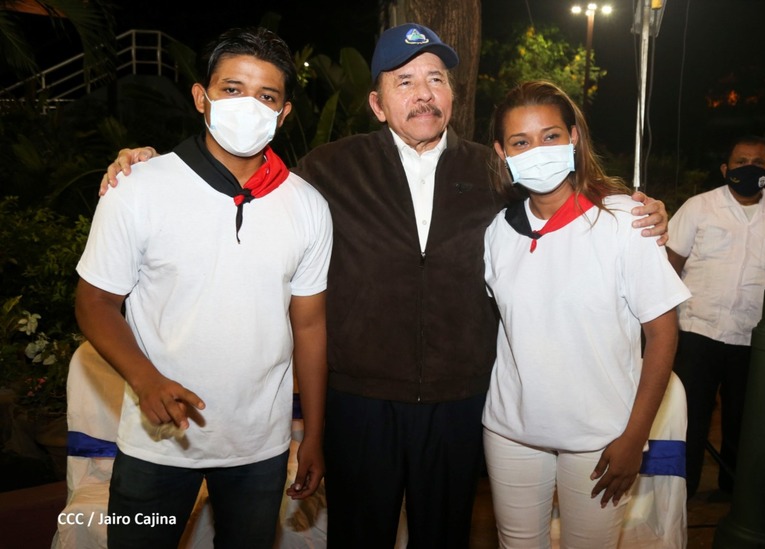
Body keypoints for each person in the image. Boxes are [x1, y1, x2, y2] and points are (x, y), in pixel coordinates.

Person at [99, 23, 669, 549]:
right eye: (405, 82)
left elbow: (562, 198)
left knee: (444, 537)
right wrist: (142, 160)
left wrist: (638, 207)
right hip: (359, 403)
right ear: (377, 103)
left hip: (459, 401)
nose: (423, 94)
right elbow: (242, 181)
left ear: (452, 95)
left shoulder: (496, 171)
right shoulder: (328, 168)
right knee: (358, 537)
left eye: (436, 80)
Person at [75, 27, 332, 548]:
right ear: (201, 97)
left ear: (283, 113)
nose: (248, 105)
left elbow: (309, 327)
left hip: (259, 447)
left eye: (266, 96)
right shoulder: (138, 188)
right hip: (157, 442)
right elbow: (95, 302)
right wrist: (146, 380)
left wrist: (314, 436)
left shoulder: (308, 206)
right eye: (232, 89)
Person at [481, 80, 690, 548]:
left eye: (550, 136)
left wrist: (635, 438)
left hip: (601, 435)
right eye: (521, 142)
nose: (538, 151)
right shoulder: (498, 231)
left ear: (573, 137)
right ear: (502, 152)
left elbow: (662, 334)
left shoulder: (625, 221)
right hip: (511, 431)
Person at [667, 135, 765, 499]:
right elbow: (671, 262)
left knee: (745, 419)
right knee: (689, 416)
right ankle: (680, 490)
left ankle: (735, 491)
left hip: (754, 335)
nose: (749, 168)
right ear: (726, 169)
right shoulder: (699, 206)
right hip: (697, 330)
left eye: (758, 162)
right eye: (740, 162)